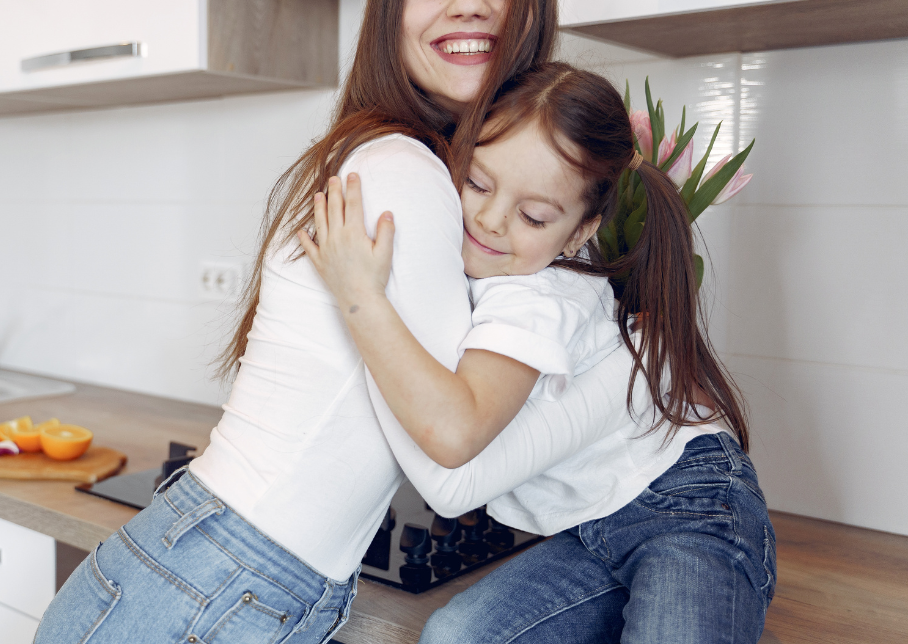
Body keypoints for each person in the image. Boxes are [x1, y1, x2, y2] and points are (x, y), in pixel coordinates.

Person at [33, 0, 572, 642]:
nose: (472, 1)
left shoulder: (402, 162)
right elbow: (452, 442)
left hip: (216, 574)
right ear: (388, 13)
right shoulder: (403, 173)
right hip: (217, 584)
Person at [301, 63, 775, 643]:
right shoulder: (471, 272)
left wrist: (358, 295)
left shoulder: (536, 295)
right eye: (477, 182)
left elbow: (455, 431)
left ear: (579, 233)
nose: (491, 219)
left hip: (693, 507)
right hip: (590, 527)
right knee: (455, 636)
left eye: (533, 216)